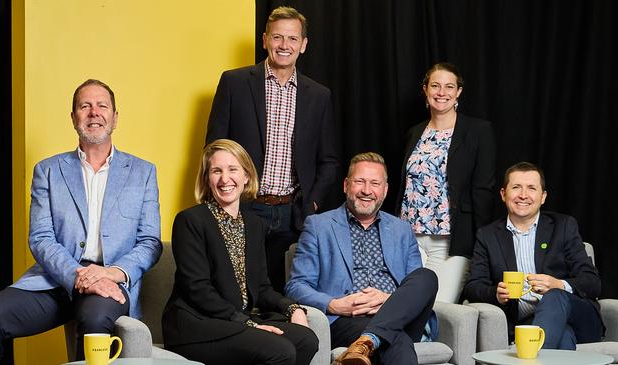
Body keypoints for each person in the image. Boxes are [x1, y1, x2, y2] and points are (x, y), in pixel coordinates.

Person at [0, 79, 162, 363]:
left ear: (115, 117)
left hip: (111, 285)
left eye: (102, 106)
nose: (94, 112)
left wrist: (111, 274)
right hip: (54, 281)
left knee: (95, 322)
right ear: (74, 118)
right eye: (85, 106)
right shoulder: (47, 171)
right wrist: (77, 275)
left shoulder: (142, 172)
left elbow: (150, 242)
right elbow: (41, 237)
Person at [206, 6, 339, 293]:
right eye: (278, 38)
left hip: (291, 214)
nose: (284, 46)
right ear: (265, 39)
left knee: (279, 293)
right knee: (235, 289)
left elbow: (328, 161)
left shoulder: (318, 95)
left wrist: (311, 203)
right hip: (242, 206)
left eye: (292, 39)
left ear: (303, 45)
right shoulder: (235, 82)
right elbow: (213, 148)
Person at [162, 139, 319, 365]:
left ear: (246, 176)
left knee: (306, 340)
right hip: (198, 326)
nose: (225, 179)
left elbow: (262, 287)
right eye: (216, 171)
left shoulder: (254, 224)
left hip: (237, 321)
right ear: (207, 179)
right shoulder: (190, 221)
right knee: (281, 350)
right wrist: (247, 324)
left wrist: (292, 308)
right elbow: (198, 289)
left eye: (232, 169)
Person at [286, 152, 438, 365]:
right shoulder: (318, 226)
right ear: (346, 185)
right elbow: (296, 285)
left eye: (375, 183)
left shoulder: (402, 230)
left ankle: (369, 339)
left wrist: (389, 300)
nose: (367, 190)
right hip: (348, 319)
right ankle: (371, 339)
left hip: (400, 315)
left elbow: (415, 287)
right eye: (360, 182)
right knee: (397, 341)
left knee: (427, 276)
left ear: (384, 190)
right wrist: (334, 305)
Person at [463, 162, 603, 349]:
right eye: (516, 187)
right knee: (563, 338)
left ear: (543, 197)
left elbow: (592, 282)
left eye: (531, 188)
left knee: (554, 296)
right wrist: (496, 294)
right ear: (503, 194)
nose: (523, 195)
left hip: (579, 317)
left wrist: (559, 285)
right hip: (527, 323)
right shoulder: (487, 236)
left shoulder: (564, 227)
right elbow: (473, 287)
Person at [394, 62, 496, 303]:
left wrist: (483, 244)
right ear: (425, 90)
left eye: (449, 86)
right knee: (403, 306)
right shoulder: (415, 132)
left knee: (438, 308)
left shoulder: (478, 131)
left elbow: (483, 190)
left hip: (451, 242)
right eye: (436, 85)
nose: (442, 92)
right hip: (409, 239)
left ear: (458, 92)